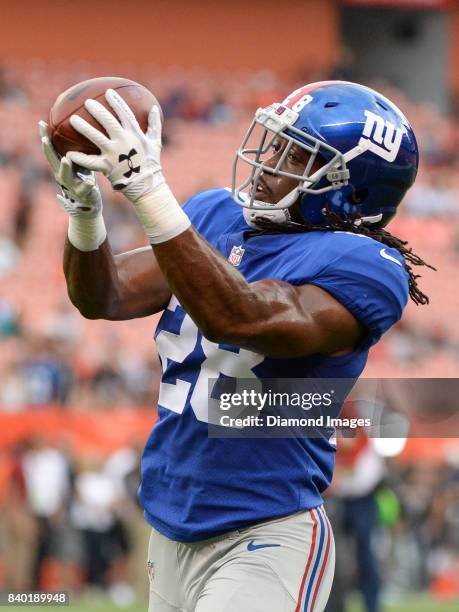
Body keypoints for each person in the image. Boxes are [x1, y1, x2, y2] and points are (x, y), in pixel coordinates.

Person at [39, 80, 432, 612]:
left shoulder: (367, 267)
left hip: (265, 530)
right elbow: (104, 294)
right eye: (276, 144)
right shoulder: (217, 216)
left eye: (297, 154)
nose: (269, 162)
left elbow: (242, 317)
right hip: (171, 523)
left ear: (351, 189)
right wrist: (85, 213)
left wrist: (150, 191)